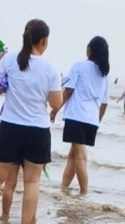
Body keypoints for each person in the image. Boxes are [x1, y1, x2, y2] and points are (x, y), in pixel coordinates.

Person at [0, 19, 62, 224]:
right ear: (44, 41)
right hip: (37, 131)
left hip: (10, 127)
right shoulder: (51, 69)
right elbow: (56, 103)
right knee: (32, 182)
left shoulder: (9, 59)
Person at [51, 35, 109, 194]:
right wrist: (97, 121)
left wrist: (55, 109)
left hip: (76, 116)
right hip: (92, 120)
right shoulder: (104, 74)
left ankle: (84, 193)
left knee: (80, 157)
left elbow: (68, 91)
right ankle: (63, 188)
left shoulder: (79, 66)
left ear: (89, 49)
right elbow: (104, 103)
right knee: (73, 156)